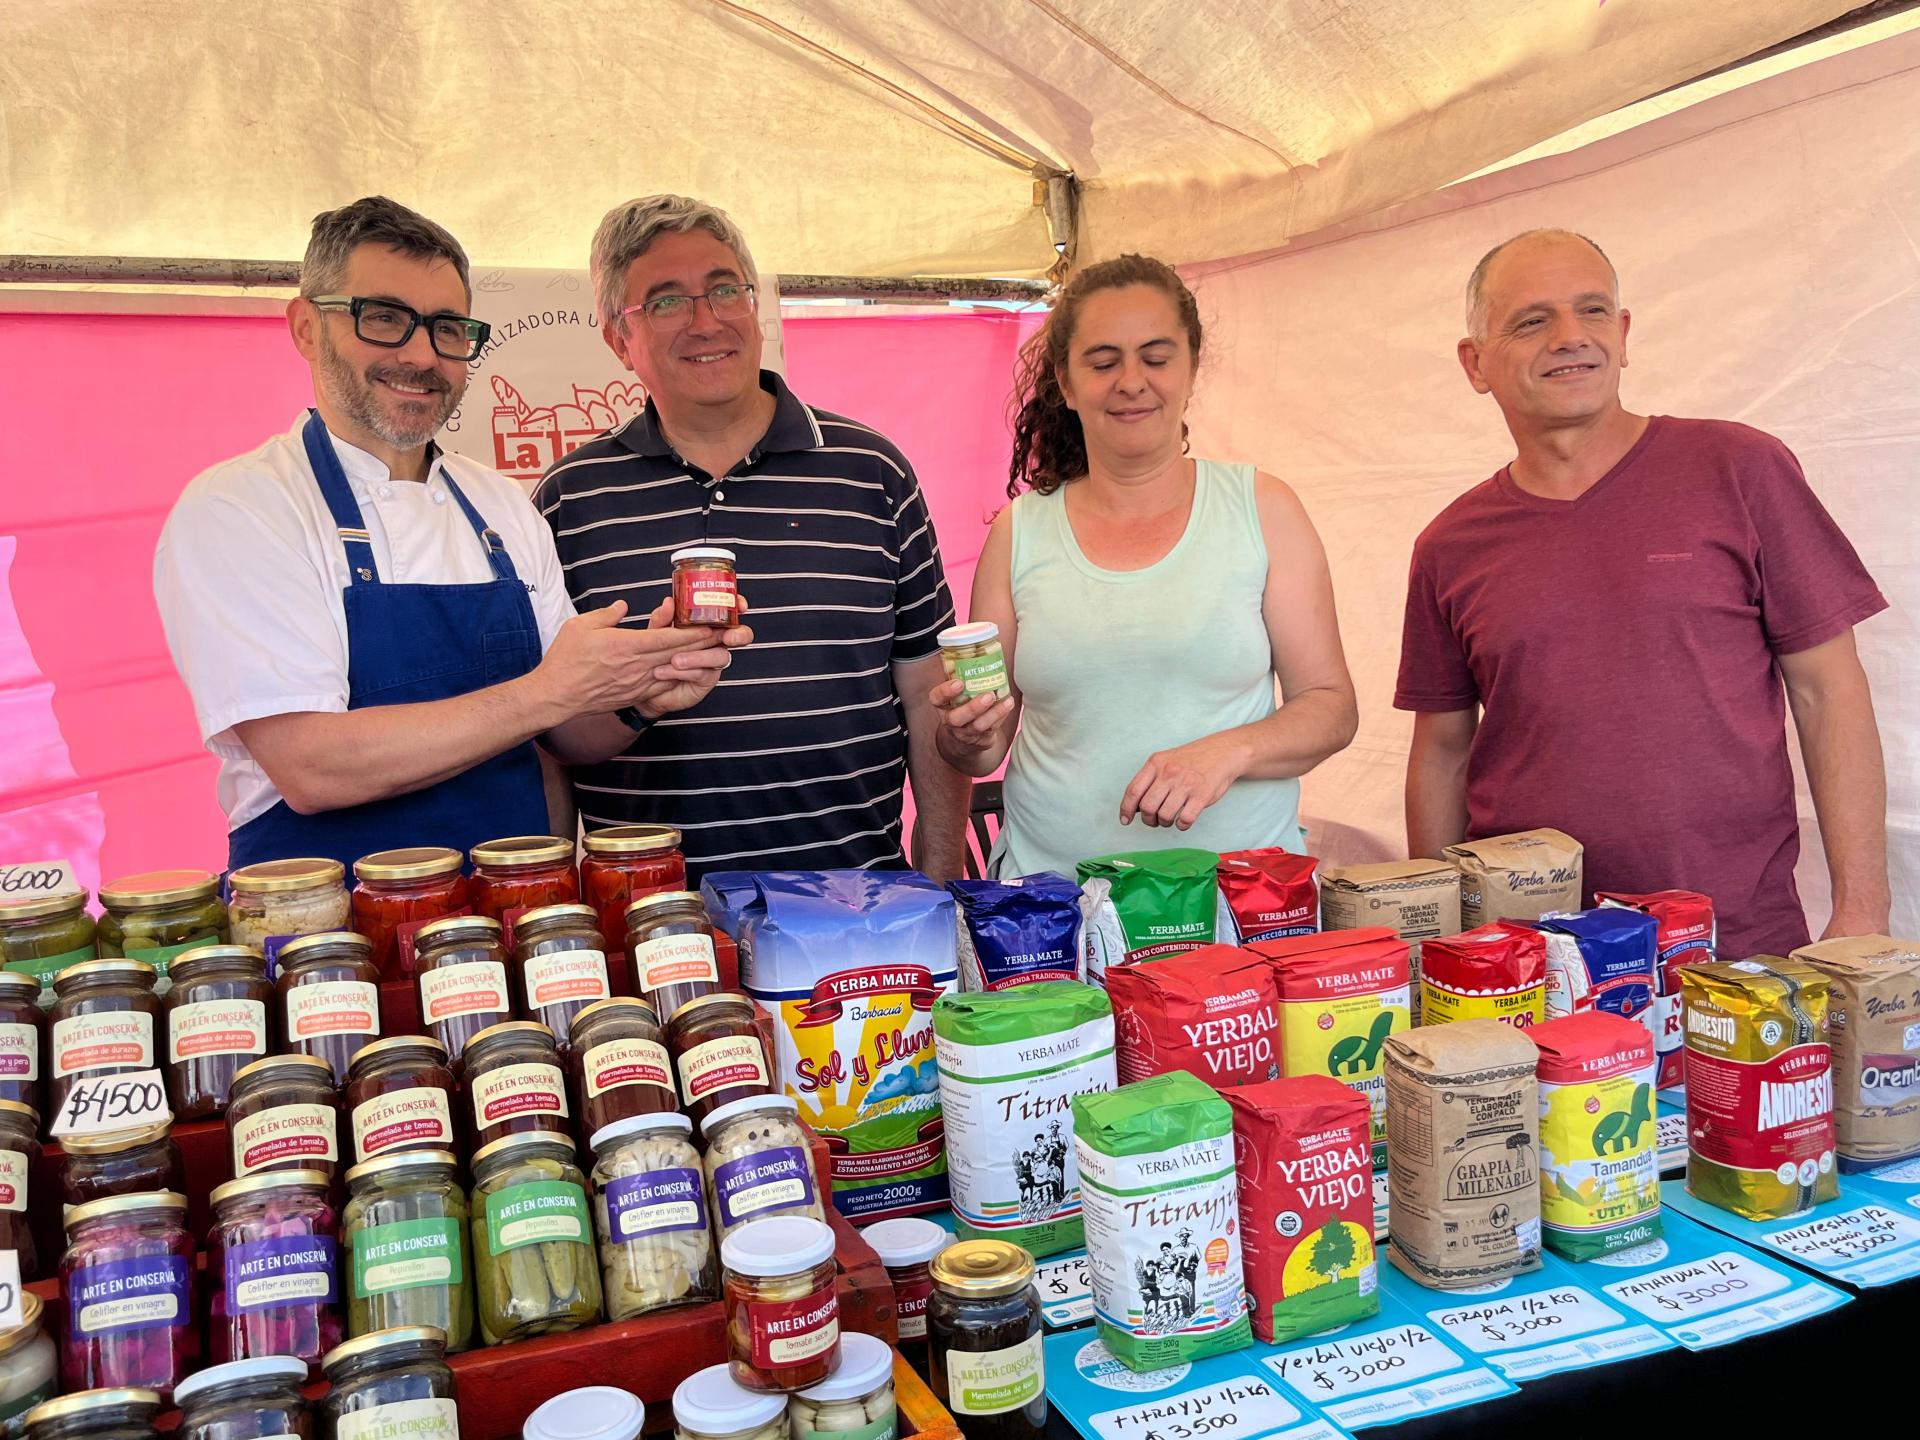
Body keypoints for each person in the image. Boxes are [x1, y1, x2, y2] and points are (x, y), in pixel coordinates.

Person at [155, 196, 748, 871]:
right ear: (307, 328)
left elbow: (560, 732)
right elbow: (311, 767)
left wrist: (641, 696)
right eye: (383, 319)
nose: (420, 355)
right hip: (327, 943)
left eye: (446, 329)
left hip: (509, 922)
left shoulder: (501, 505)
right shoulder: (244, 507)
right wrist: (547, 690)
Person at [1397, 228, 1890, 957]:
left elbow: (1829, 691)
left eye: (1593, 311)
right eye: (1532, 321)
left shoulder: (1739, 468)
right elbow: (1441, 751)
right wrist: (1441, 944)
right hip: (1530, 958)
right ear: (1475, 363)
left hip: (1731, 948)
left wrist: (1863, 911)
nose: (1571, 337)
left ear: (1623, 336)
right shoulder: (1450, 544)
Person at [533, 195, 971, 883]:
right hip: (653, 923)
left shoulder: (872, 473)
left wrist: (942, 880)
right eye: (667, 301)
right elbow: (549, 736)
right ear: (620, 339)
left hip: (855, 908)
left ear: (756, 308)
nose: (706, 320)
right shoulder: (568, 500)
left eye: (724, 288)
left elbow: (927, 693)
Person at [935, 255, 1358, 878]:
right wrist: (965, 735)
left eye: (1156, 358)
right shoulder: (1018, 532)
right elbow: (984, 744)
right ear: (1067, 383)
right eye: (1104, 362)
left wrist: (1230, 751)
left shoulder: (1262, 509)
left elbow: (1330, 707)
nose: (1131, 380)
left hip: (1238, 906)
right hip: (1054, 912)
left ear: (1191, 367)